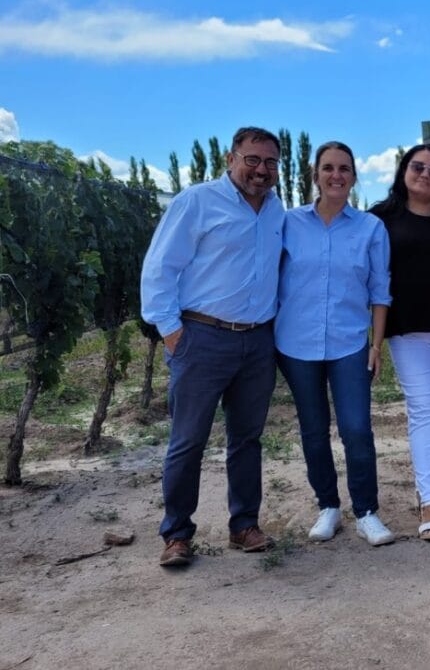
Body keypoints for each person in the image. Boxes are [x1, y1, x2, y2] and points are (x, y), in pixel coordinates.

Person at [141, 126, 285, 567]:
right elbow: (160, 268)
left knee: (247, 439)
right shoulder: (197, 202)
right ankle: (177, 534)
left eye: (270, 162)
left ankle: (244, 526)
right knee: (188, 440)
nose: (261, 170)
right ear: (231, 159)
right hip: (202, 337)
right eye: (252, 159)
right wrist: (172, 333)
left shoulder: (276, 210)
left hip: (257, 341)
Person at [275, 141, 395, 547]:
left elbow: (380, 291)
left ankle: (366, 512)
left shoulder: (370, 229)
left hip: (349, 344)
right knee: (313, 430)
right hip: (296, 344)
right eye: (328, 168)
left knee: (357, 429)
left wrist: (376, 345)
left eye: (344, 168)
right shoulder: (288, 223)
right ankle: (328, 506)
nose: (336, 175)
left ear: (354, 177)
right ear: (315, 175)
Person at [370, 144, 430, 541]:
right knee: (424, 407)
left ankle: (427, 488)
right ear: (403, 171)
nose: (426, 174)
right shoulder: (380, 218)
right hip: (406, 330)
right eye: (418, 167)